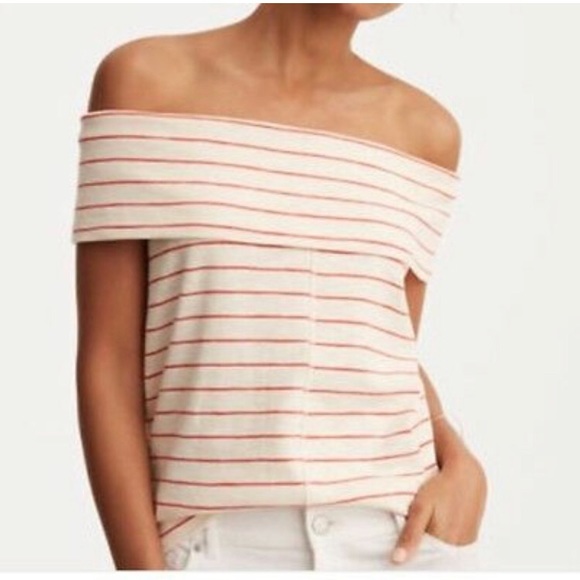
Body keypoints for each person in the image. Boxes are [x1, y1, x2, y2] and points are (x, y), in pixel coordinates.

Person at [71, 3, 487, 571]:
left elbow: (386, 346)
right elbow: (109, 361)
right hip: (217, 545)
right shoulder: (145, 82)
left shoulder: (424, 133)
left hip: (401, 540)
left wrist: (458, 458)